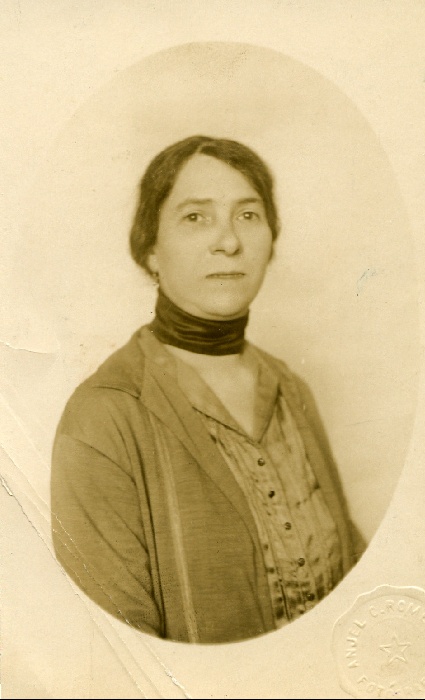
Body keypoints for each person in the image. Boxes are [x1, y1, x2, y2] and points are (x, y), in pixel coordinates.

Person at [51, 135, 365, 644]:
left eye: (248, 215)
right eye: (196, 217)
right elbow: (119, 658)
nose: (229, 242)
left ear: (271, 239)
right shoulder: (103, 416)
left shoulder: (293, 391)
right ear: (151, 249)